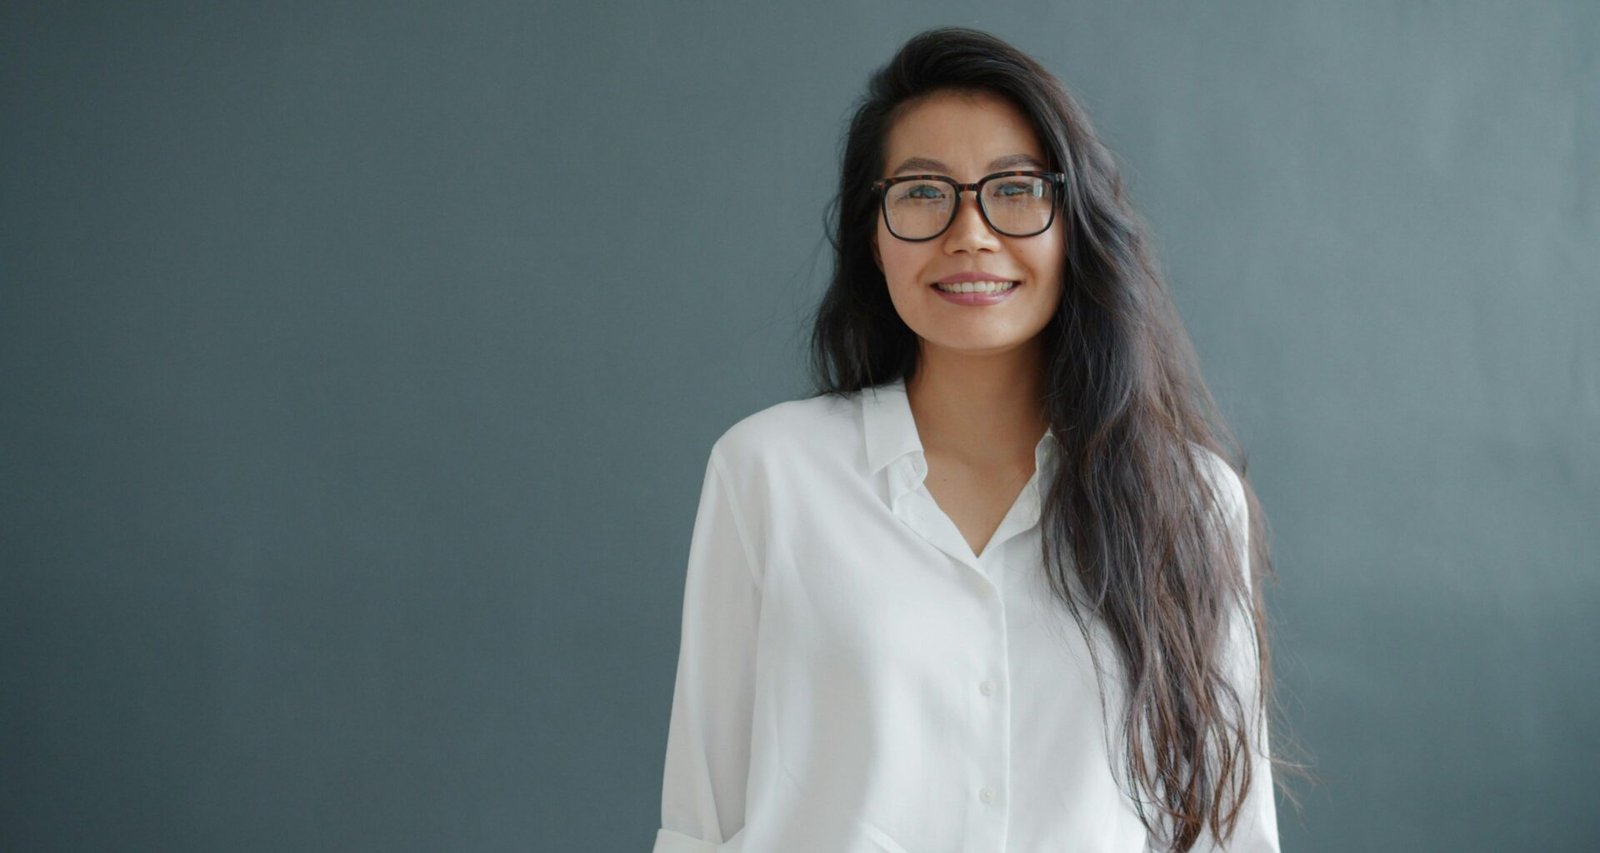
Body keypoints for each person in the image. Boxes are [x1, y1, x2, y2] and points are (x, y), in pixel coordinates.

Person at [654, 26, 1282, 853]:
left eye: (1015, 189)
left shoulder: (1193, 500)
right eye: (922, 192)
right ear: (872, 234)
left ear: (1075, 224)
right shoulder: (768, 471)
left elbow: (1228, 834)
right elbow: (700, 820)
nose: (970, 233)